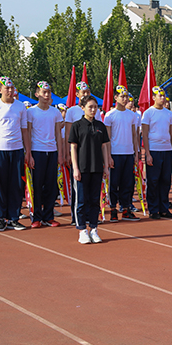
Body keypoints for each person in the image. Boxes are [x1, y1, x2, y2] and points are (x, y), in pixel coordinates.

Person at [0, 77, 31, 232]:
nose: (10, 91)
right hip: (0, 150)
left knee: (16, 185)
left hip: (17, 150)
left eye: (12, 88)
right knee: (1, 185)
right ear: (0, 90)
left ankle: (14, 217)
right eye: (7, 89)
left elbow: (24, 130)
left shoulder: (20, 107)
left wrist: (28, 153)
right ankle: (1, 218)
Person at [69, 95, 110, 244]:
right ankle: (82, 230)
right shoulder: (77, 126)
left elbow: (104, 146)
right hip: (82, 168)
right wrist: (75, 168)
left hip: (97, 168)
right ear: (83, 108)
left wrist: (106, 166)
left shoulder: (100, 126)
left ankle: (93, 228)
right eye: (90, 107)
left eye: (95, 107)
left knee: (94, 200)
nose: (93, 109)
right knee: (81, 200)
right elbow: (73, 147)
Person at [26, 81, 64, 228]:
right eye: (44, 92)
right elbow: (28, 133)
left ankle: (49, 216)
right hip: (37, 152)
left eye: (49, 92)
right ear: (37, 94)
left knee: (50, 185)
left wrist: (60, 154)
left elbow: (58, 135)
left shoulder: (55, 112)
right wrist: (28, 154)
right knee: (37, 185)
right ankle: (36, 216)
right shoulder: (31, 112)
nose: (47, 95)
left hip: (52, 152)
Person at [64, 82, 102, 226]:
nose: (85, 94)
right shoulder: (72, 111)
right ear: (77, 95)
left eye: (87, 91)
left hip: (93, 158)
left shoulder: (95, 112)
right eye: (82, 92)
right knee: (79, 191)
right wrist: (68, 154)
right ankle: (77, 219)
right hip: (79, 158)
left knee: (93, 194)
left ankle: (91, 219)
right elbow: (68, 134)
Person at [141, 87, 172, 220]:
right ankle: (153, 209)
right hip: (154, 151)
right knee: (153, 181)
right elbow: (144, 134)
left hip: (166, 151)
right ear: (153, 97)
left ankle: (164, 208)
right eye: (159, 96)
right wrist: (148, 153)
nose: (162, 98)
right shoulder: (148, 113)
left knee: (166, 180)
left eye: (163, 96)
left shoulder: (169, 114)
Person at [105, 85, 140, 222]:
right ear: (115, 97)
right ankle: (113, 209)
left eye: (126, 96)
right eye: (122, 96)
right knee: (114, 183)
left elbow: (134, 135)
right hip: (115, 153)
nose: (125, 99)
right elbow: (107, 138)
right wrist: (108, 156)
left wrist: (136, 153)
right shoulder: (110, 115)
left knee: (128, 183)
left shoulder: (132, 115)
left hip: (128, 153)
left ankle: (126, 209)